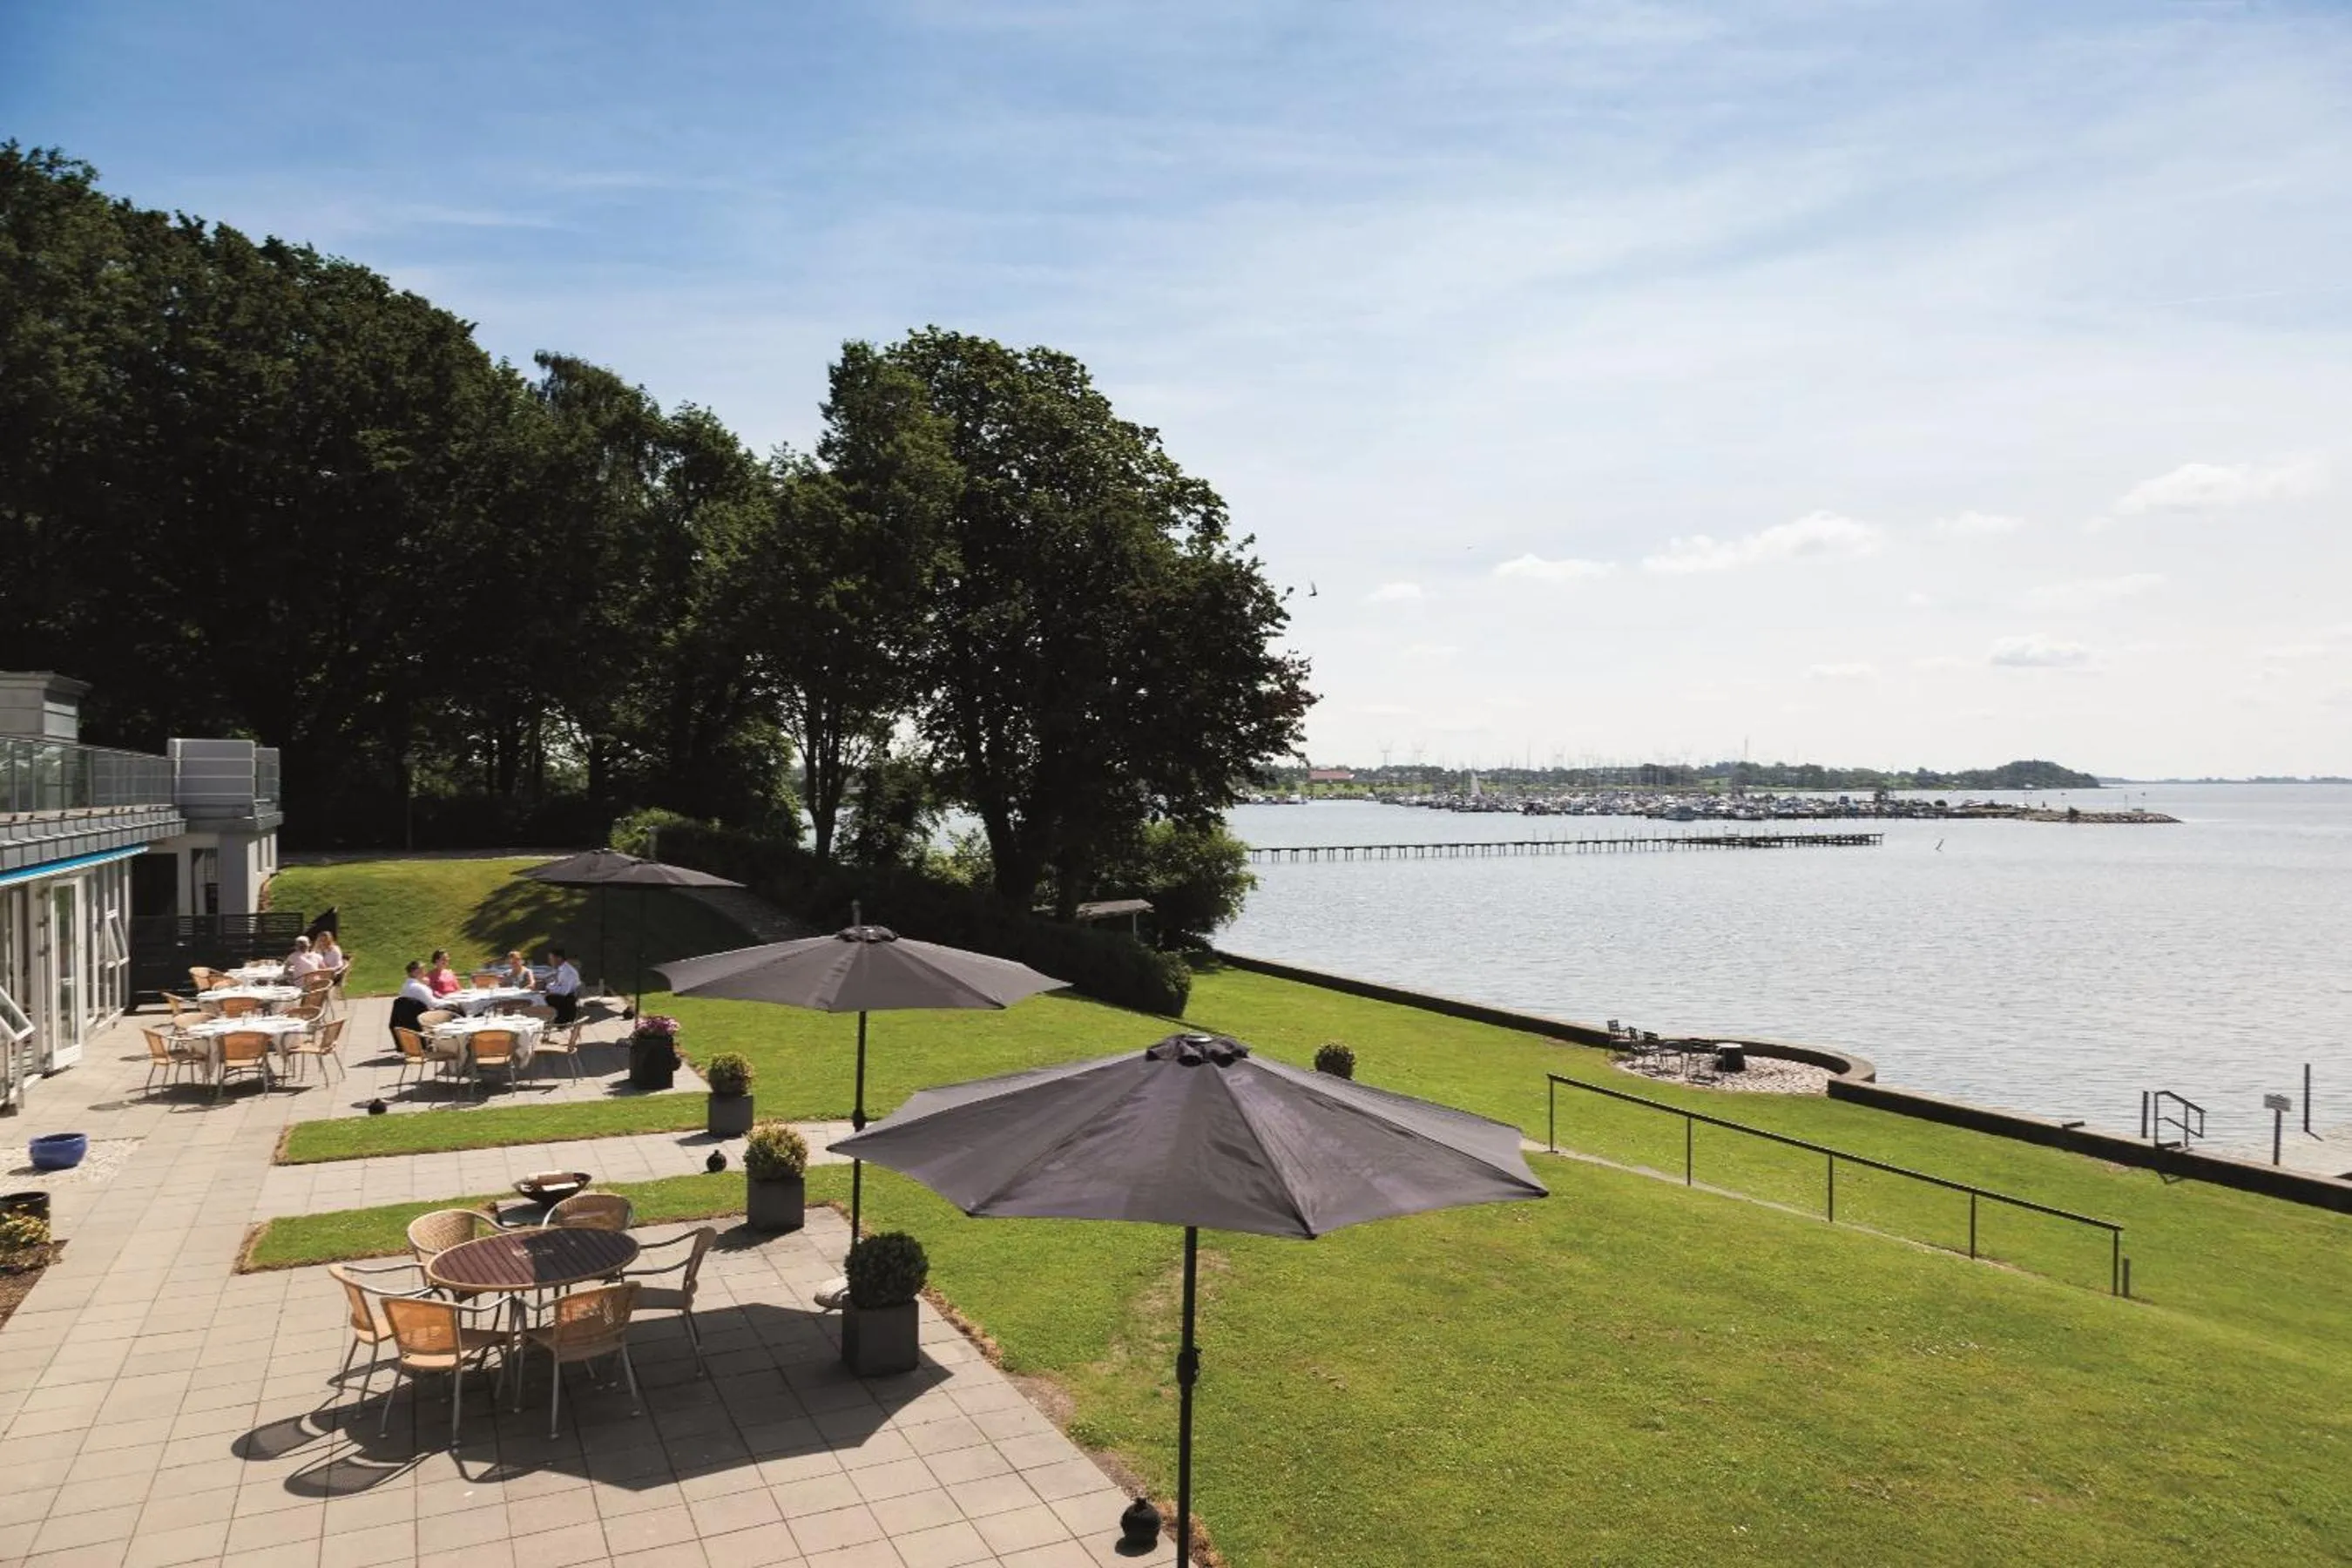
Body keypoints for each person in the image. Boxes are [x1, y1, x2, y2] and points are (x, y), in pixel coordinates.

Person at [389, 960, 434, 1038]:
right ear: (415, 972)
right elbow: (432, 1004)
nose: (425, 973)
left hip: (409, 1021)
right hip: (423, 1020)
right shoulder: (420, 988)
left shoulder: (405, 986)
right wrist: (449, 1002)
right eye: (423, 970)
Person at [543, 946, 581, 1027]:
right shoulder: (562, 969)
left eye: (551, 959)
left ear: (559, 958)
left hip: (566, 1002)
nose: (550, 961)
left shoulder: (568, 972)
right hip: (563, 998)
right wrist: (548, 986)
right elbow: (557, 984)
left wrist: (548, 991)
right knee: (539, 996)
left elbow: (564, 992)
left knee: (542, 999)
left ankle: (544, 1021)